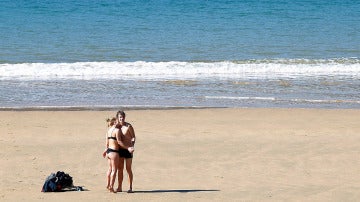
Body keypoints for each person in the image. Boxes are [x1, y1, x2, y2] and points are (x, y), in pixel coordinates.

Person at [115, 110, 136, 193]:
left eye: (123, 117)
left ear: (124, 117)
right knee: (120, 169)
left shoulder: (128, 126)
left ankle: (130, 187)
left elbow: (133, 137)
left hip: (128, 150)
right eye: (120, 117)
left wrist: (132, 146)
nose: (122, 118)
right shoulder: (117, 127)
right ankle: (119, 187)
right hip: (120, 150)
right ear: (118, 118)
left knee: (128, 169)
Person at [102, 117, 120, 193]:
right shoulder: (117, 130)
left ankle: (108, 184)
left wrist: (105, 151)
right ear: (115, 122)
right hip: (114, 151)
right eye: (118, 121)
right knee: (114, 170)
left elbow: (107, 143)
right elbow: (119, 142)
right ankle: (111, 187)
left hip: (108, 151)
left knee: (109, 169)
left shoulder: (108, 131)